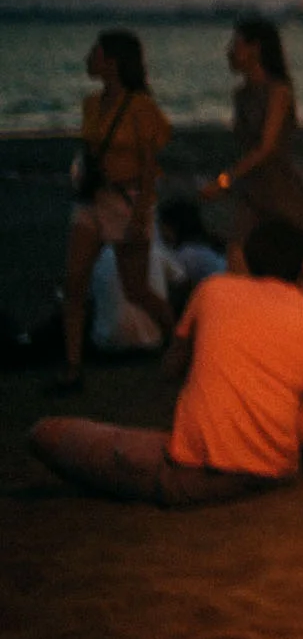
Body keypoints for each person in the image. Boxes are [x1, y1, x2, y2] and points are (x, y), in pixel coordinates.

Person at [29, 219, 303, 506]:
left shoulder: (214, 291)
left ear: (247, 258)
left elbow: (171, 367)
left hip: (196, 471)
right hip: (277, 467)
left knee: (46, 433)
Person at [52, 28, 177, 393]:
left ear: (113, 61)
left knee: (137, 289)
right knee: (74, 281)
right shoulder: (91, 103)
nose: (89, 58)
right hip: (92, 201)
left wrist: (141, 213)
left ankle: (182, 344)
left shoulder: (141, 107)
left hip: (128, 202)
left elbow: (151, 163)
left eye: (96, 52)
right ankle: (73, 368)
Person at [200, 16, 303, 264]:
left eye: (236, 44)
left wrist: (224, 181)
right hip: (252, 192)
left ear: (255, 48)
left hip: (281, 192)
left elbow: (266, 148)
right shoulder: (241, 94)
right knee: (236, 259)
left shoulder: (279, 91)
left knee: (288, 271)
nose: (230, 51)